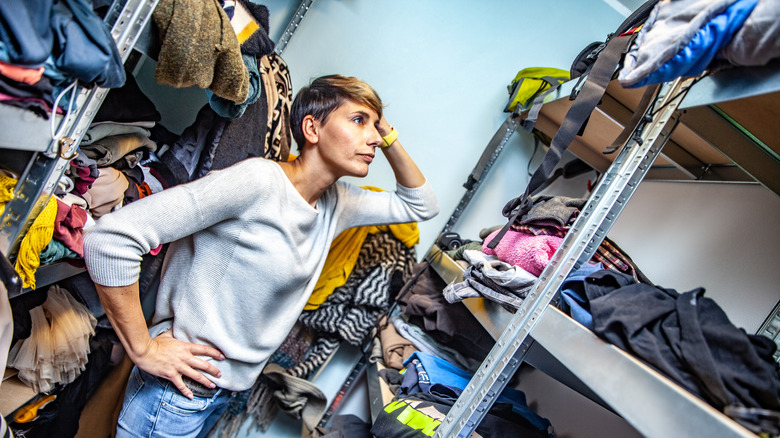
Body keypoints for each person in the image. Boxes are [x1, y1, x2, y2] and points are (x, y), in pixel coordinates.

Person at [83, 74, 439, 437]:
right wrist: (142, 347)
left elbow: (422, 205)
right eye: (359, 120)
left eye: (376, 127)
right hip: (177, 394)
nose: (375, 138)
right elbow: (110, 240)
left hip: (220, 393)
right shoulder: (258, 182)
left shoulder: (339, 203)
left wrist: (388, 131)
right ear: (312, 129)